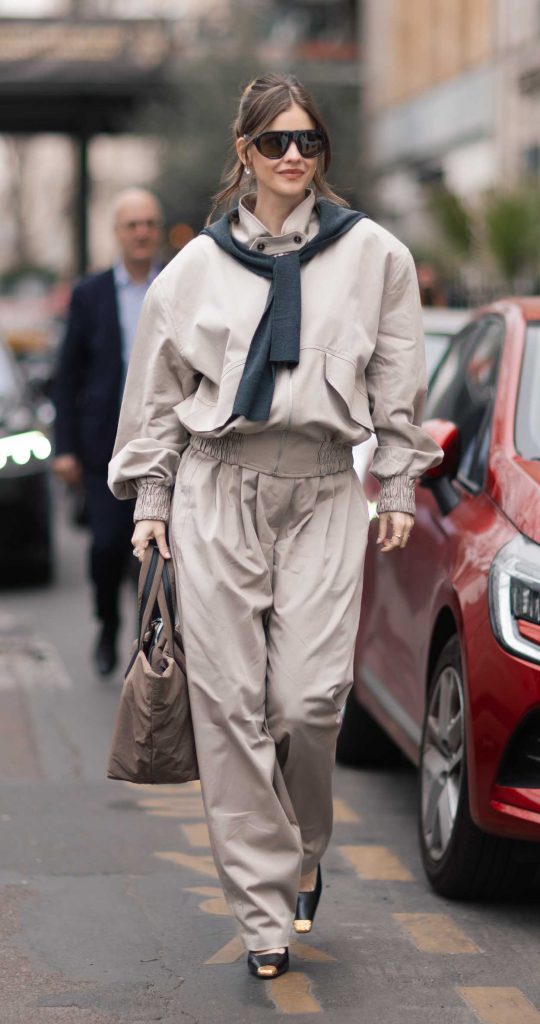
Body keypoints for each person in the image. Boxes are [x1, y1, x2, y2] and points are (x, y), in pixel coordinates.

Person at [108, 74, 443, 979]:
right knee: (228, 708)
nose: (294, 155)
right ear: (244, 152)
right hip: (218, 491)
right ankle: (263, 911)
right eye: (275, 142)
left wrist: (399, 484)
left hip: (326, 490)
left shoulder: (376, 256)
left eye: (308, 140)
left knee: (307, 702)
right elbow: (159, 396)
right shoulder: (194, 269)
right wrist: (150, 502)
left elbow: (399, 382)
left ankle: (301, 850)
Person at [53, 188, 163, 675]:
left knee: (157, 554)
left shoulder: (176, 283)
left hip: (164, 446)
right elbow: (67, 376)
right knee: (105, 547)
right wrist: (65, 448)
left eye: (149, 223)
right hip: (105, 448)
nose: (142, 232)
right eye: (132, 224)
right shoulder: (90, 294)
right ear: (118, 232)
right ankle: (107, 625)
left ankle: (151, 646)